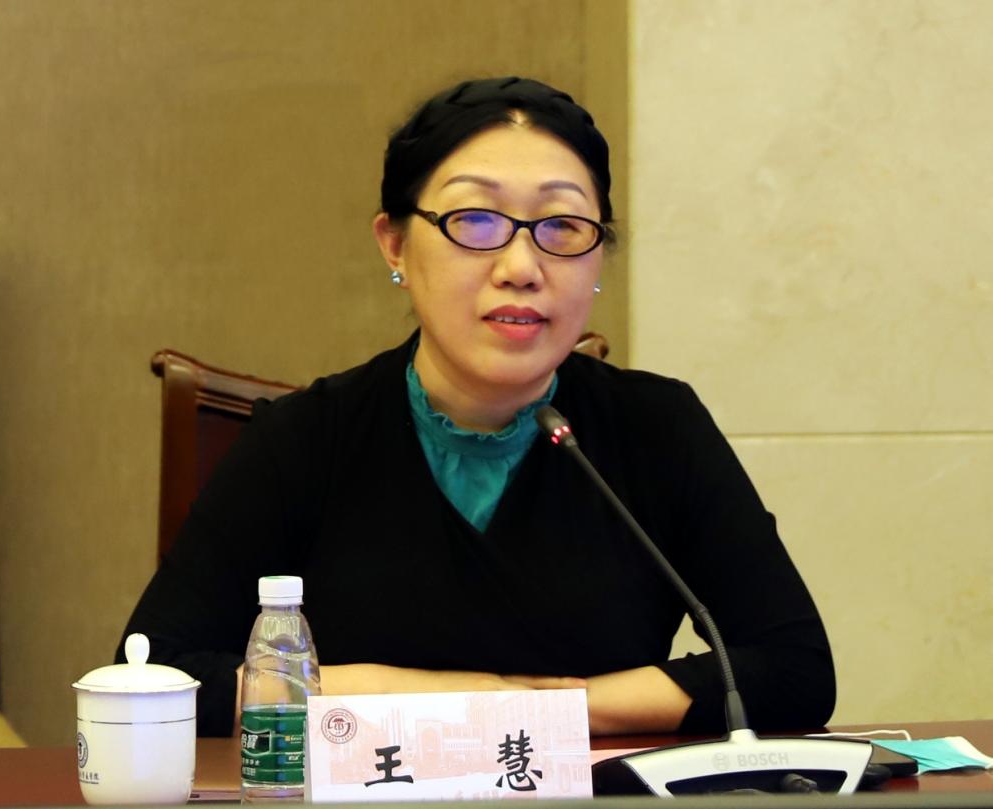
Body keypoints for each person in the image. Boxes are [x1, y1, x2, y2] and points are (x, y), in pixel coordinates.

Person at [118, 76, 835, 738]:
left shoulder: (655, 428)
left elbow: (793, 669)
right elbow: (156, 674)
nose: (521, 267)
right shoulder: (307, 439)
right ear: (395, 244)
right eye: (476, 220)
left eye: (562, 227)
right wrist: (424, 694)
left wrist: (551, 711)